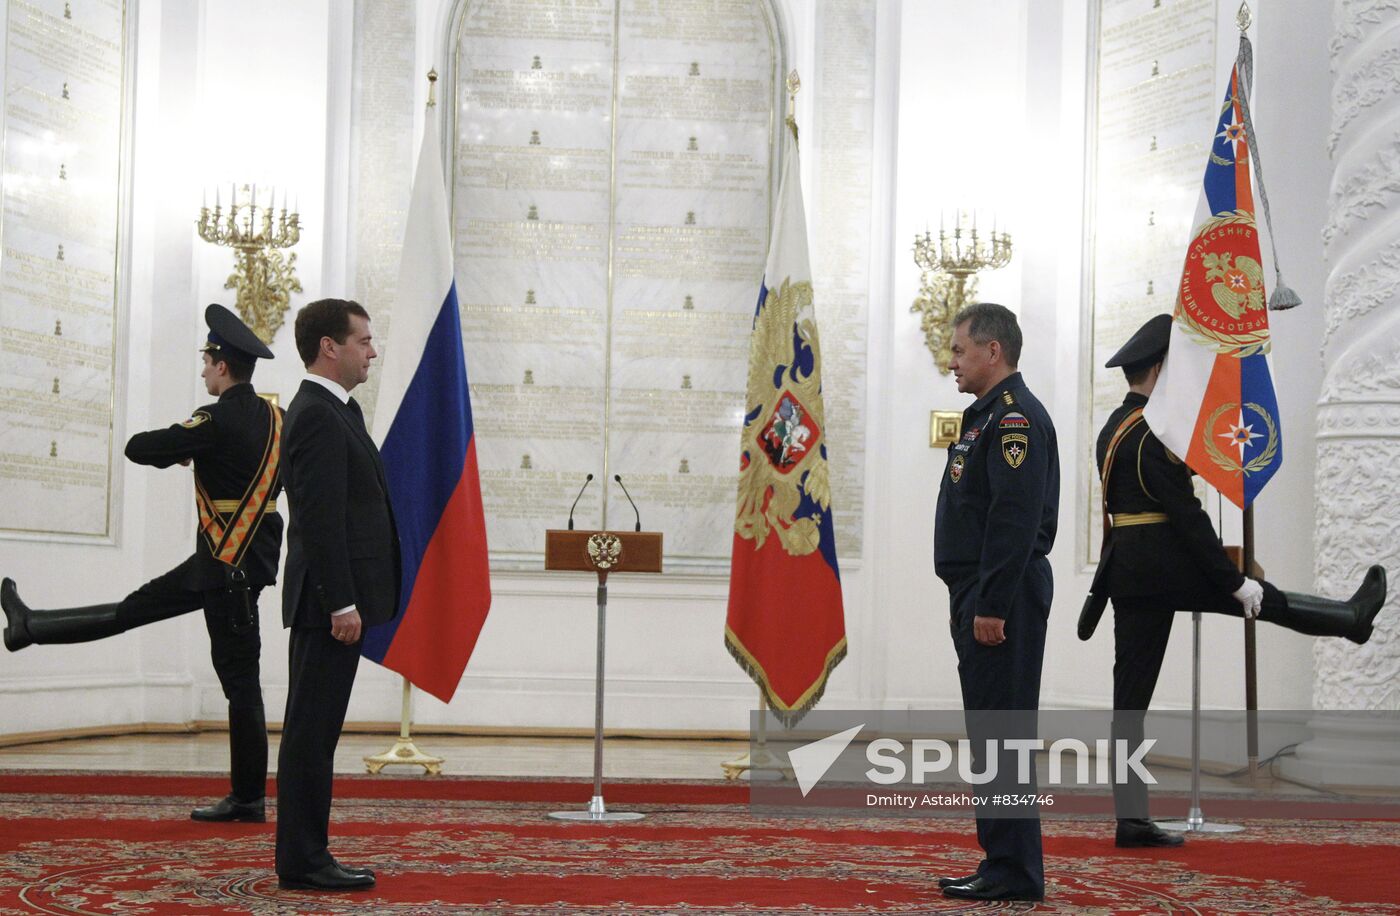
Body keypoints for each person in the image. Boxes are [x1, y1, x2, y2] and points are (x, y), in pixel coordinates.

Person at [1090, 313, 1388, 848]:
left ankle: (1131, 820)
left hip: (1129, 573)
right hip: (1164, 566)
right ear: (1160, 369)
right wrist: (1232, 581)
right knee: (1261, 599)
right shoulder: (1154, 434)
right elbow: (1186, 518)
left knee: (1128, 706)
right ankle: (1350, 619)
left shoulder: (1114, 428)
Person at [2, 304, 282, 823]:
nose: (203, 371)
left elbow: (138, 448)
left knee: (239, 681)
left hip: (223, 569)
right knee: (139, 614)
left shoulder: (213, 419)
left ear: (222, 366)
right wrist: (197, 451)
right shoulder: (278, 420)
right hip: (240, 566)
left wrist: (185, 447)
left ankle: (247, 800)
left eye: (206, 362)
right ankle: (30, 626)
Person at [933, 302, 1058, 903]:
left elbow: (1013, 521)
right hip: (982, 592)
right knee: (992, 732)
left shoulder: (1014, 421)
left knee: (1002, 732)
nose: (951, 361)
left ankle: (1013, 869)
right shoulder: (982, 419)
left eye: (959, 350)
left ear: (993, 351)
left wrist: (992, 605)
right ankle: (1004, 862)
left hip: (999, 596)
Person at [275, 298, 400, 892]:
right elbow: (320, 519)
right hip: (328, 606)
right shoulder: (317, 414)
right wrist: (340, 602)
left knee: (317, 732)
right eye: (364, 340)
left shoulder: (338, 410)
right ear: (330, 346)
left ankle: (307, 853)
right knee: (310, 734)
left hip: (335, 600)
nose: (372, 350)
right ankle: (303, 860)